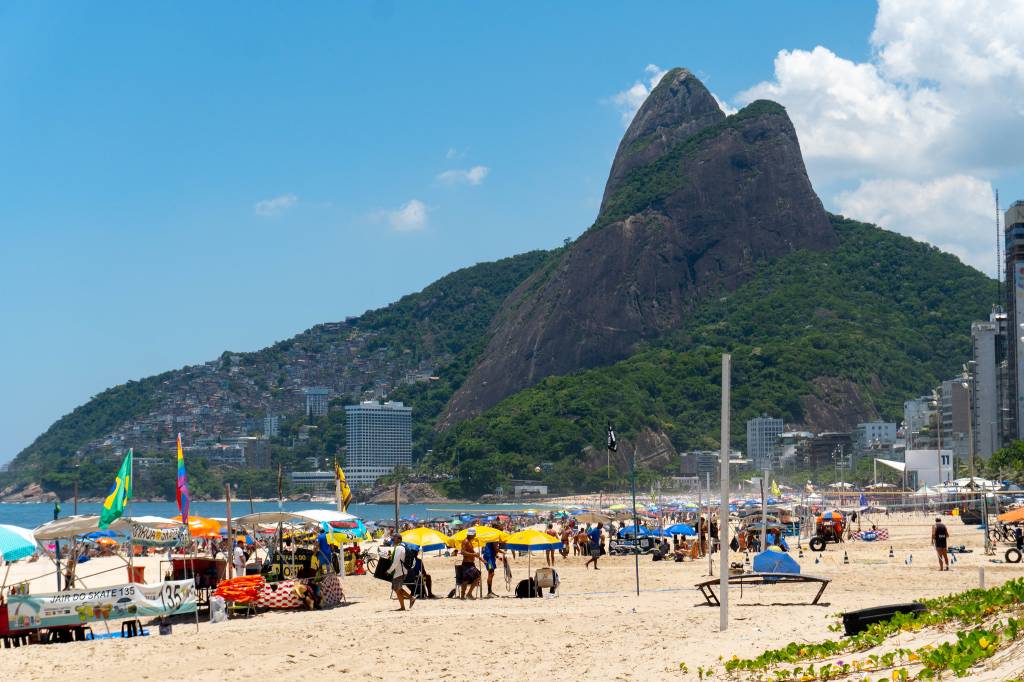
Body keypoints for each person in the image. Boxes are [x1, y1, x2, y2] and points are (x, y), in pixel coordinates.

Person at [388, 533, 416, 610]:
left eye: (395, 538)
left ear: (399, 539)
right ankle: (402, 607)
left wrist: (389, 571)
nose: (393, 539)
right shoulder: (402, 547)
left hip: (400, 572)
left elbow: (396, 561)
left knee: (397, 589)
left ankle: (411, 598)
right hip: (402, 571)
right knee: (397, 589)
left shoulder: (399, 548)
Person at [457, 528, 482, 599]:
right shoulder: (465, 541)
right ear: (472, 534)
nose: (475, 535)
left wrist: (481, 559)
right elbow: (463, 552)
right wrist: (474, 554)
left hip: (471, 564)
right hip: (466, 564)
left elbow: (473, 553)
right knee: (466, 580)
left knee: (477, 577)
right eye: (474, 534)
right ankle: (464, 595)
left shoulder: (470, 542)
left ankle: (468, 593)